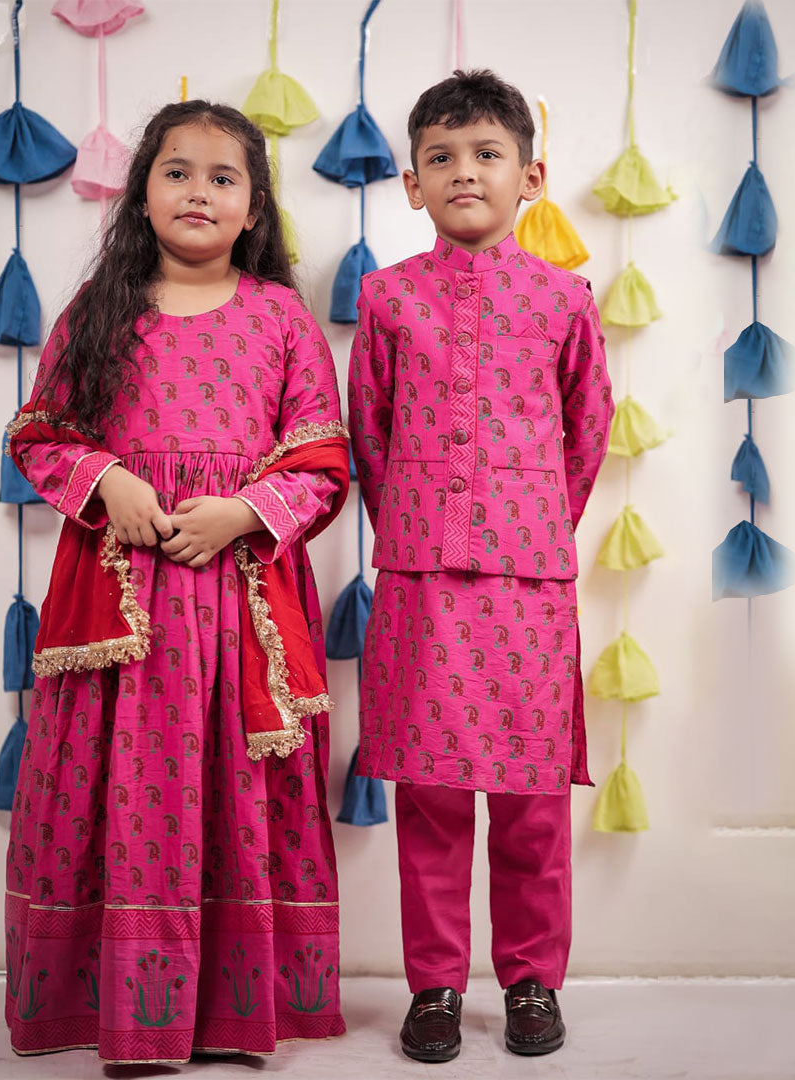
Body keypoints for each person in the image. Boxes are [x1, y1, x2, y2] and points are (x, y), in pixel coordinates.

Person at [3, 100, 349, 1065]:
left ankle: (235, 1013)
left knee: (234, 782)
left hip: (239, 603)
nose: (199, 191)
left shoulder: (281, 316)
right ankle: (124, 1013)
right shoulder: (97, 311)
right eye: (177, 171)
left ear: (253, 210)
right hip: (122, 606)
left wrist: (245, 512)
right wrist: (106, 480)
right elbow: (40, 434)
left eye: (223, 177)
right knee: (117, 784)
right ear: (143, 195)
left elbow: (322, 457)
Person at [348, 69, 613, 1062]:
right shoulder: (386, 300)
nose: (465, 172)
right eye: (441, 158)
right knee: (429, 799)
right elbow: (366, 435)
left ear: (530, 176)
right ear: (412, 184)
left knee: (533, 801)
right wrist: (419, 527)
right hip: (419, 583)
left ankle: (534, 980)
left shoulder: (564, 300)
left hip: (530, 589)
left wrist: (530, 525)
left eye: (487, 154)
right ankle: (435, 990)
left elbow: (586, 434)